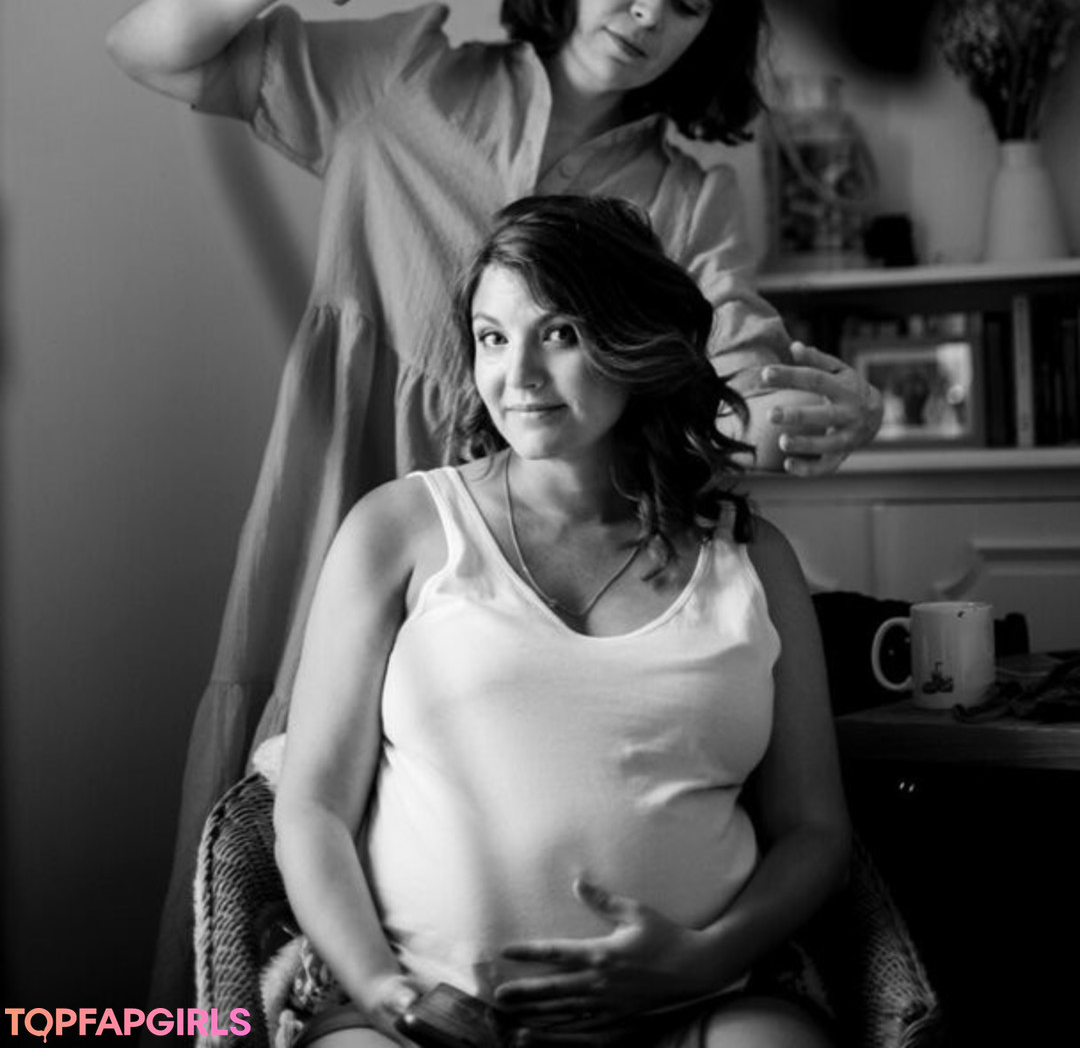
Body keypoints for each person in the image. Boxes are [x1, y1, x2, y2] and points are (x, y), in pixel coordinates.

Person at [105, 0, 880, 1000]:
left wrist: (827, 408)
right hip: (346, 512)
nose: (648, 13)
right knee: (285, 814)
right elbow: (150, 45)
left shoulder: (686, 199)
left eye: (689, 0)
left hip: (557, 579)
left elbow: (743, 375)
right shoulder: (404, 77)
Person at [273, 193, 851, 1048]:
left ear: (637, 342)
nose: (520, 375)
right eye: (492, 337)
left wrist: (703, 958)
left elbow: (815, 829)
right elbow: (313, 806)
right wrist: (386, 991)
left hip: (693, 1010)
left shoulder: (754, 559)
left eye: (561, 333)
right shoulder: (397, 530)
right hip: (418, 1020)